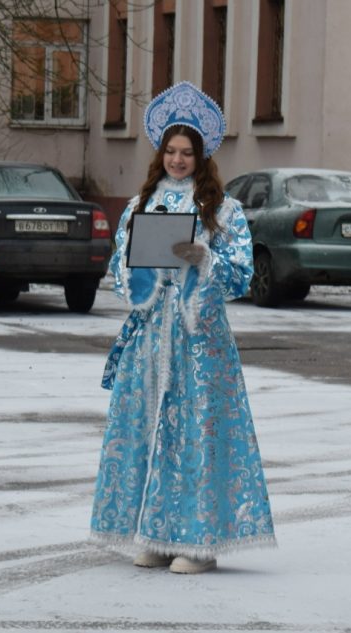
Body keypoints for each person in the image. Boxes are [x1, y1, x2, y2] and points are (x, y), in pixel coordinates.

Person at [90, 81, 276, 574]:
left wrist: (204, 260)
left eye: (186, 152)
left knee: (195, 434)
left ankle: (198, 542)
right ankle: (154, 534)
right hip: (152, 333)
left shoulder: (224, 210)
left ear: (201, 156)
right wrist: (139, 273)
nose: (177, 160)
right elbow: (118, 269)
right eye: (170, 151)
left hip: (199, 341)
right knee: (149, 430)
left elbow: (240, 274)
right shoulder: (138, 205)